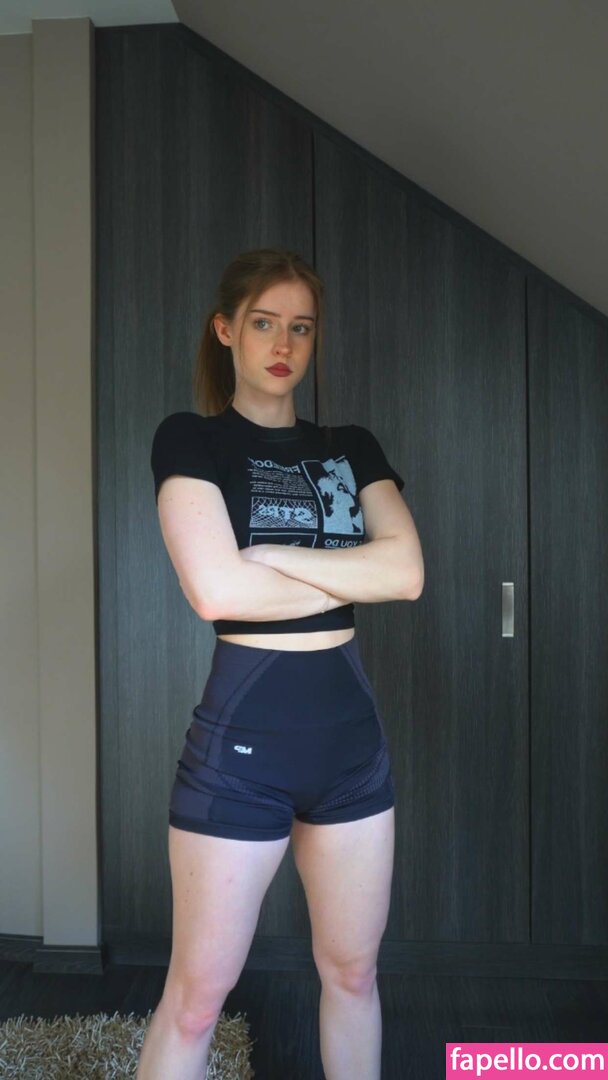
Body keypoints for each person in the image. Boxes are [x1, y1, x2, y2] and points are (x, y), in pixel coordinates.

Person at [137, 247, 424, 1080]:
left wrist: (271, 556)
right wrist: (346, 575)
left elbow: (406, 573)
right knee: (196, 999)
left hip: (351, 749)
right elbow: (215, 590)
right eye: (264, 322)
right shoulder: (192, 438)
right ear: (226, 330)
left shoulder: (350, 447)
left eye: (301, 327)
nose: (283, 343)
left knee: (354, 975)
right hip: (243, 751)